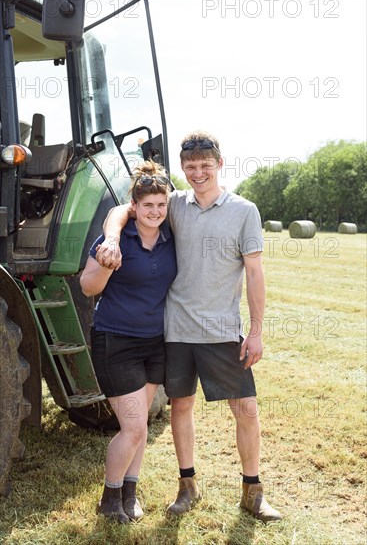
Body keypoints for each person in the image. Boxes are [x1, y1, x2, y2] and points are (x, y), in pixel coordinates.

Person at [96, 132, 282, 523]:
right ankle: (187, 486)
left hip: (222, 329)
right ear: (183, 168)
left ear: (220, 164)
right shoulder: (174, 204)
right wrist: (112, 237)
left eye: (205, 165)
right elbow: (123, 210)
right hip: (176, 329)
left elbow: (254, 272)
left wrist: (257, 331)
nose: (198, 173)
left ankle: (253, 491)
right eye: (191, 167)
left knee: (245, 408)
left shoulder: (244, 210)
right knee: (181, 407)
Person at [80, 160, 177, 524]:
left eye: (160, 205)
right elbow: (88, 288)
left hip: (156, 342)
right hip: (116, 340)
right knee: (134, 426)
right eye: (147, 205)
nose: (154, 212)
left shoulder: (170, 237)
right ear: (134, 207)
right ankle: (109, 498)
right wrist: (108, 260)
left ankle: (129, 492)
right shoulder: (114, 240)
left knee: (140, 427)